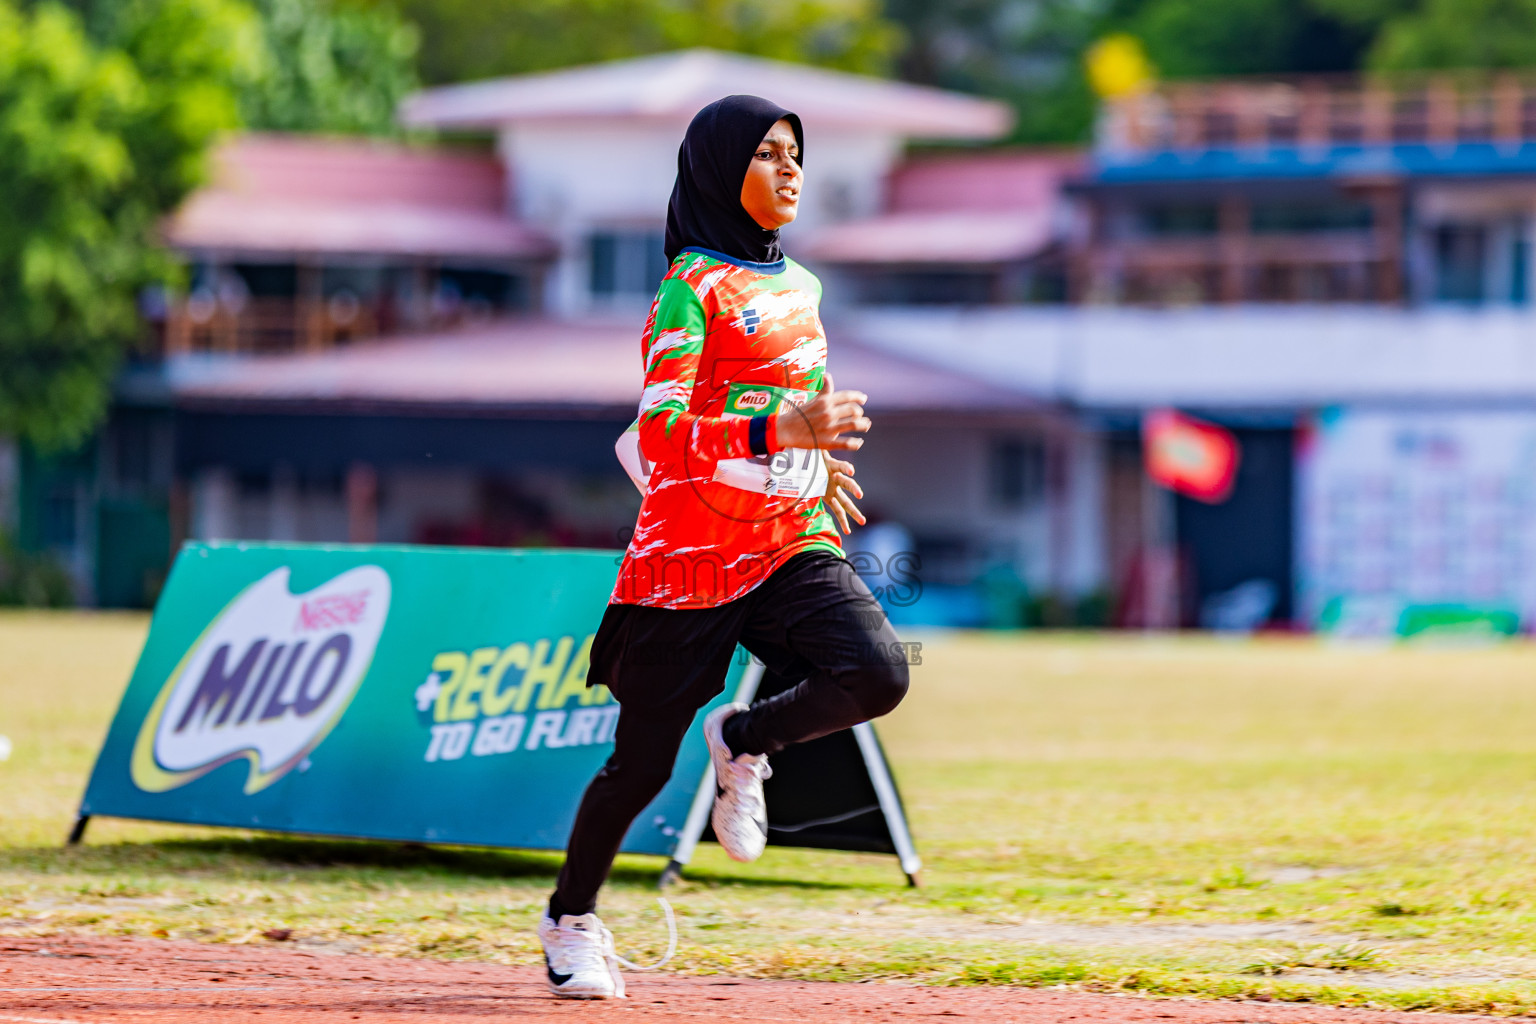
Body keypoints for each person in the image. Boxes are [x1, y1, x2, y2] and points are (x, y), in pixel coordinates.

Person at [538, 94, 911, 1000]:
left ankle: (743, 739)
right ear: (717, 170)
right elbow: (662, 433)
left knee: (878, 673)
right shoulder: (689, 289)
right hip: (689, 558)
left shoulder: (805, 288)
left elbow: (804, 405)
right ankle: (571, 920)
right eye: (767, 154)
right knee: (639, 767)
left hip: (790, 540)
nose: (790, 170)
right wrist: (780, 430)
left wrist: (820, 456)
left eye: (796, 154)